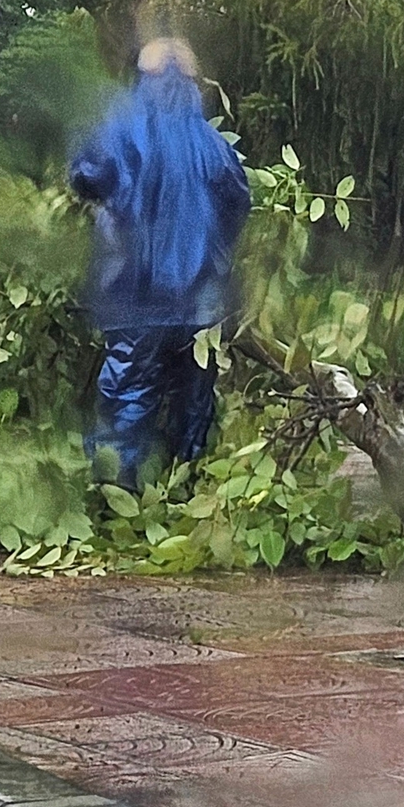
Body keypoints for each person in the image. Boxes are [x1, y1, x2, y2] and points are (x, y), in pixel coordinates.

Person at [69, 38, 251, 488]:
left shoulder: (120, 133)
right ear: (193, 85)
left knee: (128, 404)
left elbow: (85, 178)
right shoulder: (213, 145)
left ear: (142, 80)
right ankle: (185, 497)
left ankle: (118, 503)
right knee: (192, 409)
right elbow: (238, 203)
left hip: (133, 298)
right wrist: (209, 253)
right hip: (200, 308)